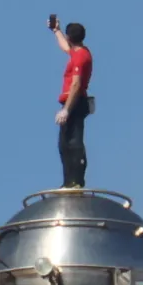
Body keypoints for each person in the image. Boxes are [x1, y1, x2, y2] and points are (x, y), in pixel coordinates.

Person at [49, 17, 93, 189]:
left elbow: (76, 85)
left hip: (74, 102)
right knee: (64, 143)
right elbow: (66, 47)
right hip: (72, 102)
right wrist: (56, 31)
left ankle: (76, 181)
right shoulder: (78, 52)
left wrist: (66, 110)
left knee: (73, 142)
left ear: (70, 37)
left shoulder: (80, 58)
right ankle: (68, 181)